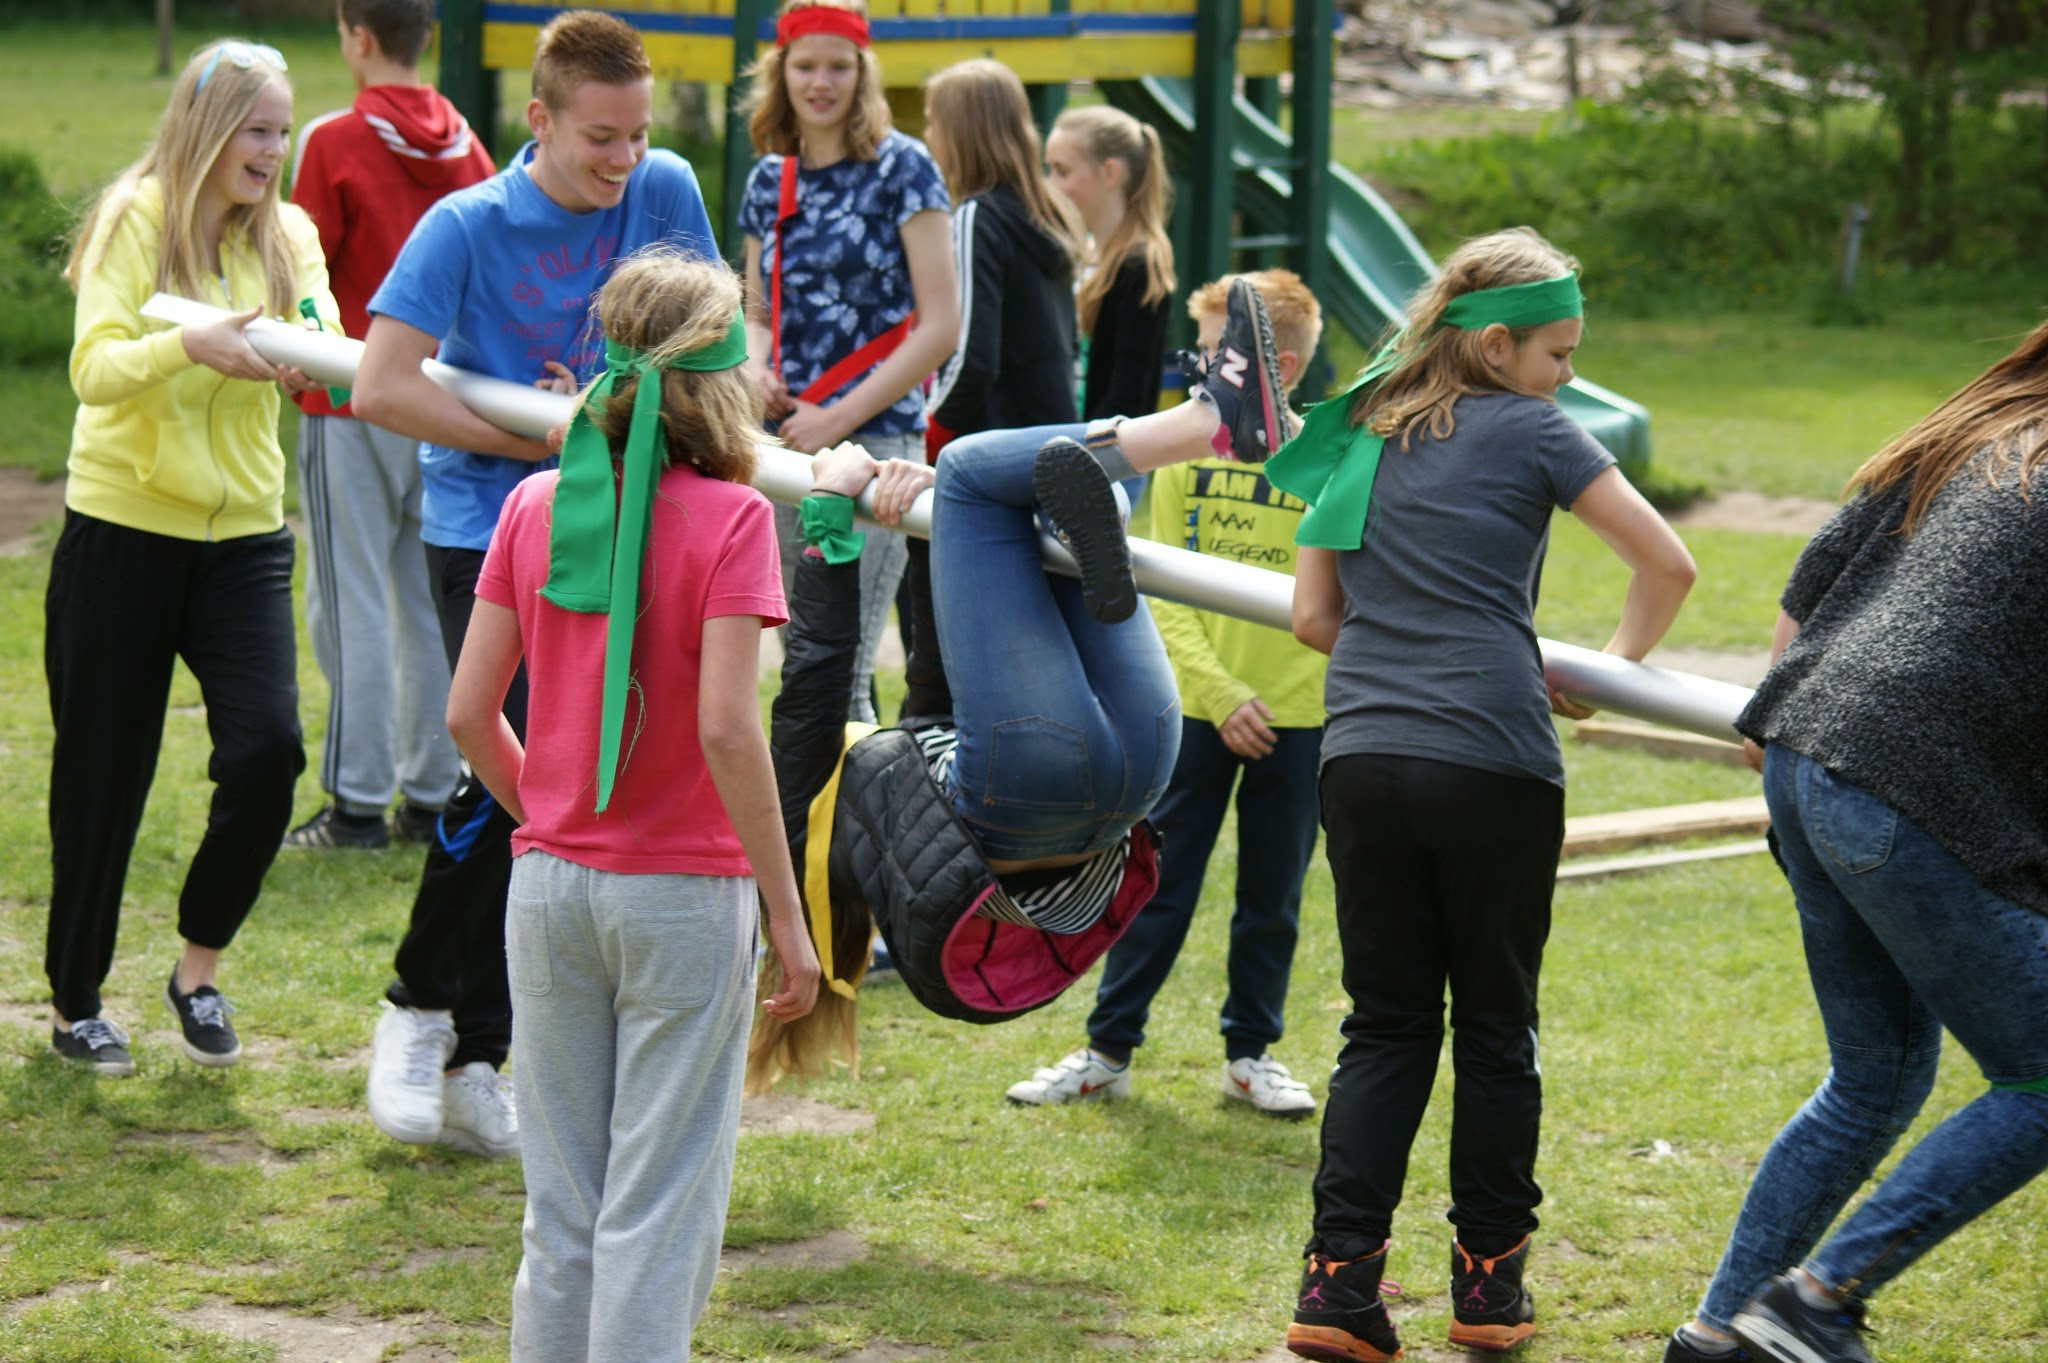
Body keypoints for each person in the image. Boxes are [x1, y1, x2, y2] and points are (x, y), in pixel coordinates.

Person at [1272, 227, 1696, 1360]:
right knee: (1495, 1026)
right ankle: (1486, 1289)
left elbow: (1313, 618)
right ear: (1499, 348)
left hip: (1359, 758)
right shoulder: (1536, 430)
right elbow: (1667, 565)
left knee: (1384, 1023)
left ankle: (1335, 1287)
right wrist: (1611, 671)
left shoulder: (1358, 427)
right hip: (1491, 755)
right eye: (1558, 352)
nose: (1566, 373)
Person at [747, 277, 1296, 1090]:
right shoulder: (798, 829)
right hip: (1024, 780)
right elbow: (821, 669)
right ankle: (1206, 422)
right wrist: (832, 512)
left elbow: (947, 682)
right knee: (971, 467)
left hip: (1135, 785)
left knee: (1047, 485)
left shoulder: (891, 878)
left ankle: (1117, 478)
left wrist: (935, 532)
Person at [349, 9, 718, 1158]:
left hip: (627, 524)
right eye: (599, 138)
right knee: (500, 760)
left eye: (635, 135)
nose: (623, 161)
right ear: (541, 118)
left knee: (571, 777)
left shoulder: (664, 190)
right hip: (487, 524)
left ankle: (478, 1057)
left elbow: (712, 349)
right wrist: (550, 447)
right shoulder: (465, 223)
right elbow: (380, 388)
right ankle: (416, 1008)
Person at [446, 246, 819, 1363]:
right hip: (683, 898)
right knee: (656, 1211)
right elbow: (723, 725)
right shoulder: (735, 519)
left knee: (561, 1209)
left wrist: (554, 815)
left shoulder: (532, 502)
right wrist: (789, 919)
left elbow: (470, 714)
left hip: (549, 886)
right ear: (721, 381)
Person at [1658, 324, 2048, 1363]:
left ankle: (1716, 1331)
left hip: (1800, 752)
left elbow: (1796, 612)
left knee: (1871, 1076)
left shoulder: (1968, 430)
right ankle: (1813, 1298)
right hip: (1902, 784)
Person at [46, 39, 338, 1076]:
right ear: (210, 131)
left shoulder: (290, 233)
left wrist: (326, 360)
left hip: (244, 539)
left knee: (268, 754)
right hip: (122, 529)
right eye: (258, 129)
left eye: (282, 127)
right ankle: (77, 1002)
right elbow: (93, 368)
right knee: (103, 776)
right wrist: (191, 344)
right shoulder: (138, 218)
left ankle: (196, 972)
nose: (275, 147)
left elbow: (323, 348)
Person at [1006, 269, 1327, 1117]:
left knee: (1274, 894)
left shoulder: (1329, 460)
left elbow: (1334, 601)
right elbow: (1164, 586)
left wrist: (1268, 697)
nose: (1201, 367)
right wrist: (1219, 693)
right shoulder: (1188, 448)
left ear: (1279, 365)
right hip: (1198, 710)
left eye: (1220, 351)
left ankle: (1251, 1053)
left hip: (1300, 715)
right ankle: (1108, 1047)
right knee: (1155, 884)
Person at [281, 0, 495, 851]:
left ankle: (357, 802)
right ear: (428, 38)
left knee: (349, 597)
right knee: (423, 594)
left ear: (356, 37)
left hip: (351, 390)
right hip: (447, 395)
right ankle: (431, 788)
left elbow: (301, 265)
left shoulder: (331, 138)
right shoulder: (469, 142)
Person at [737, 0, 957, 723]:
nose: (821, 82)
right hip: (783, 445)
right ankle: (812, 822)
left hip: (875, 445)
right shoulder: (770, 177)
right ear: (782, 71)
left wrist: (835, 416)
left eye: (838, 66)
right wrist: (754, 369)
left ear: (863, 73)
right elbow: (756, 311)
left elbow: (940, 325)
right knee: (806, 653)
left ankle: (846, 824)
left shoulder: (904, 168)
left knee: (846, 660)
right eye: (805, 65)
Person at [923, 58, 1082, 451]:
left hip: (992, 442)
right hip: (1052, 432)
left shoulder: (977, 216)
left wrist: (930, 431)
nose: (927, 137)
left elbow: (973, 357)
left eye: (931, 123)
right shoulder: (1048, 213)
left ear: (959, 133)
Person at [1044, 104, 1176, 429]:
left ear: (1109, 173)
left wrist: (1085, 455)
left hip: (1104, 458)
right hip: (1065, 443)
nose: (1049, 185)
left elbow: (1127, 393)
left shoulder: (1138, 265)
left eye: (1062, 171)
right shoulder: (1077, 254)